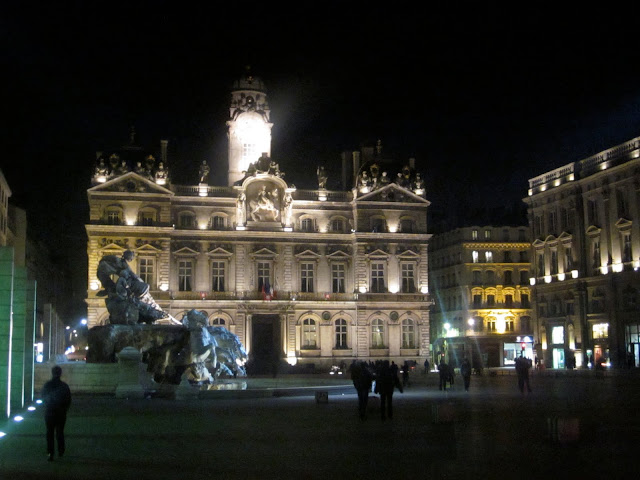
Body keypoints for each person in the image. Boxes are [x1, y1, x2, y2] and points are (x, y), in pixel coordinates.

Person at [41, 365, 72, 461]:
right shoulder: (64, 386)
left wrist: (47, 406)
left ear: (52, 373)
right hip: (61, 412)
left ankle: (50, 453)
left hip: (50, 412)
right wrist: (65, 409)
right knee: (60, 431)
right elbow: (68, 399)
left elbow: (43, 397)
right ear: (60, 374)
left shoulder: (47, 385)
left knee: (49, 432)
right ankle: (61, 450)